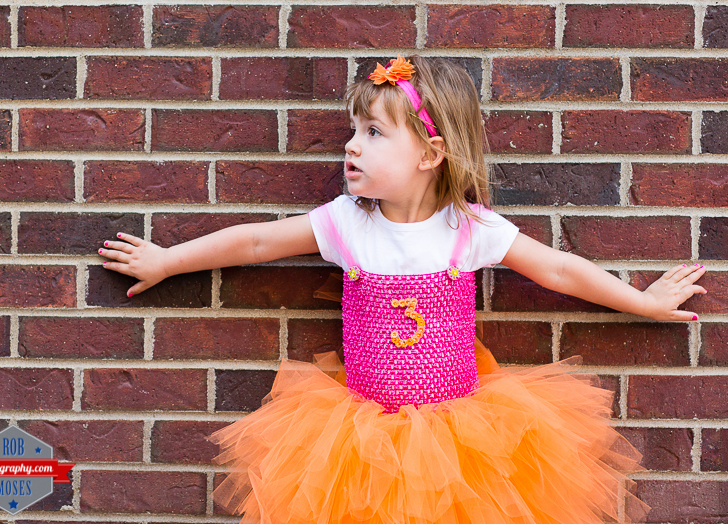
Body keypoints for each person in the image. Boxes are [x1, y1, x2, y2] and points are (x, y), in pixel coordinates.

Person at [99, 56, 706, 523]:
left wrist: (643, 300)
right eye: (353, 130)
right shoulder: (346, 221)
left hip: (463, 435)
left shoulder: (468, 229)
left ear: (430, 154)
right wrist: (169, 260)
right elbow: (255, 243)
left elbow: (561, 271)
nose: (351, 145)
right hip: (356, 437)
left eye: (373, 132)